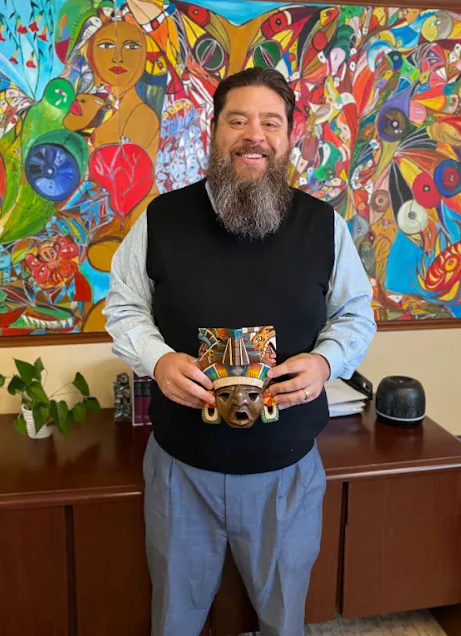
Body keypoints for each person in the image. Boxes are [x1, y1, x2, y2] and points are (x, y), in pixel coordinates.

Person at [103, 66, 376, 636]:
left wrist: (325, 362)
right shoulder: (160, 219)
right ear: (214, 131)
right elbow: (124, 307)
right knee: (174, 619)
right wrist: (157, 359)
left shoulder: (324, 225)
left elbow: (355, 315)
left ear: (289, 136)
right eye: (238, 120)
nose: (255, 135)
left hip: (287, 473)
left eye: (270, 122)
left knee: (283, 620)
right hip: (181, 470)